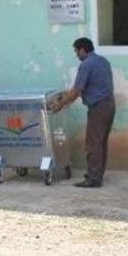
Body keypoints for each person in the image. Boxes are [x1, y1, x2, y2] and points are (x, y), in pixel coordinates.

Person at [51, 37, 115, 188]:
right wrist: (65, 96)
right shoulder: (103, 61)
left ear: (82, 50)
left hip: (98, 108)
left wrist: (60, 104)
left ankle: (93, 179)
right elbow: (88, 87)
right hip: (109, 105)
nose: (76, 55)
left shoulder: (86, 65)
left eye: (76, 51)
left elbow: (77, 90)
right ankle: (98, 174)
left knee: (93, 144)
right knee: (101, 143)